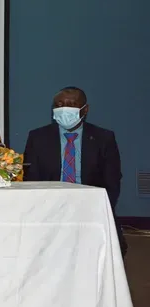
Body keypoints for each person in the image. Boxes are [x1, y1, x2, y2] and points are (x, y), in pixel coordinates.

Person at [23, 86, 128, 256]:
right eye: (59, 105)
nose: (64, 108)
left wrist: (98, 209)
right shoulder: (38, 137)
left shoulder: (104, 138)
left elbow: (112, 181)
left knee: (112, 251)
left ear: (84, 109)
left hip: (91, 207)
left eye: (71, 104)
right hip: (50, 207)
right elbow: (31, 179)